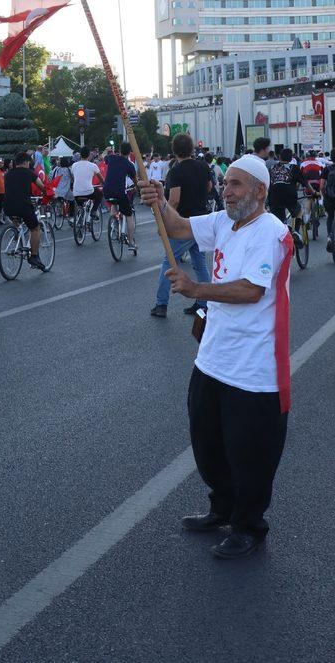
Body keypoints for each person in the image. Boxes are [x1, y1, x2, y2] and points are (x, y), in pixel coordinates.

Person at [140, 154, 292, 559]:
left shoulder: (270, 232)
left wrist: (195, 289)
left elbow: (250, 290)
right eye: (226, 183)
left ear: (260, 192)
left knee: (249, 454)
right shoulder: (223, 220)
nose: (227, 190)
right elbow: (177, 226)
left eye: (237, 185)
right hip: (212, 359)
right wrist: (160, 199)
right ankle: (221, 508)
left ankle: (248, 526)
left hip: (253, 368)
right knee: (207, 443)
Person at [151, 133, 212, 319]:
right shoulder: (203, 166)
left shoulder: (176, 171)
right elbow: (209, 187)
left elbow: (174, 200)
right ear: (192, 148)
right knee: (200, 264)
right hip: (202, 222)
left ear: (174, 150)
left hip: (183, 224)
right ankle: (204, 303)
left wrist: (165, 219)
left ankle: (161, 304)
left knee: (168, 262)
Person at [2, 151, 48, 271]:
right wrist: (47, 193)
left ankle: (17, 235)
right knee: (35, 228)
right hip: (23, 205)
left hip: (7, 207)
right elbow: (41, 186)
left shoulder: (7, 174)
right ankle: (34, 256)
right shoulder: (29, 173)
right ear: (27, 162)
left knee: (18, 221)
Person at [102, 143, 138, 250]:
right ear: (130, 152)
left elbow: (103, 157)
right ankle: (131, 242)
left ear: (120, 150)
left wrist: (106, 149)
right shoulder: (129, 164)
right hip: (119, 191)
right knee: (129, 215)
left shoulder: (111, 158)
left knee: (114, 203)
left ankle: (114, 224)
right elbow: (135, 180)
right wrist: (136, 187)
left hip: (107, 190)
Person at [268, 148, 305, 237]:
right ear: (291, 158)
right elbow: (305, 183)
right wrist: (314, 192)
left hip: (274, 198)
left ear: (279, 157)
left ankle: (284, 229)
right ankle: (296, 231)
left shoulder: (271, 168)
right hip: (290, 196)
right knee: (299, 211)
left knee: (279, 219)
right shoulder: (294, 167)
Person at [70, 146, 102, 215]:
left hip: (76, 193)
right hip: (89, 192)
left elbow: (73, 178)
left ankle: (80, 213)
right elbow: (101, 179)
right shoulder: (93, 165)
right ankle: (94, 211)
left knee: (80, 204)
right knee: (100, 193)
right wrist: (104, 184)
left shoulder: (74, 165)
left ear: (80, 155)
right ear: (89, 155)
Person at [299, 150, 323, 228]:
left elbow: (301, 176)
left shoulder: (303, 163)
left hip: (308, 184)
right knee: (320, 194)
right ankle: (320, 205)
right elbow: (323, 175)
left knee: (309, 199)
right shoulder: (320, 163)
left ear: (307, 156)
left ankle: (307, 218)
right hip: (318, 183)